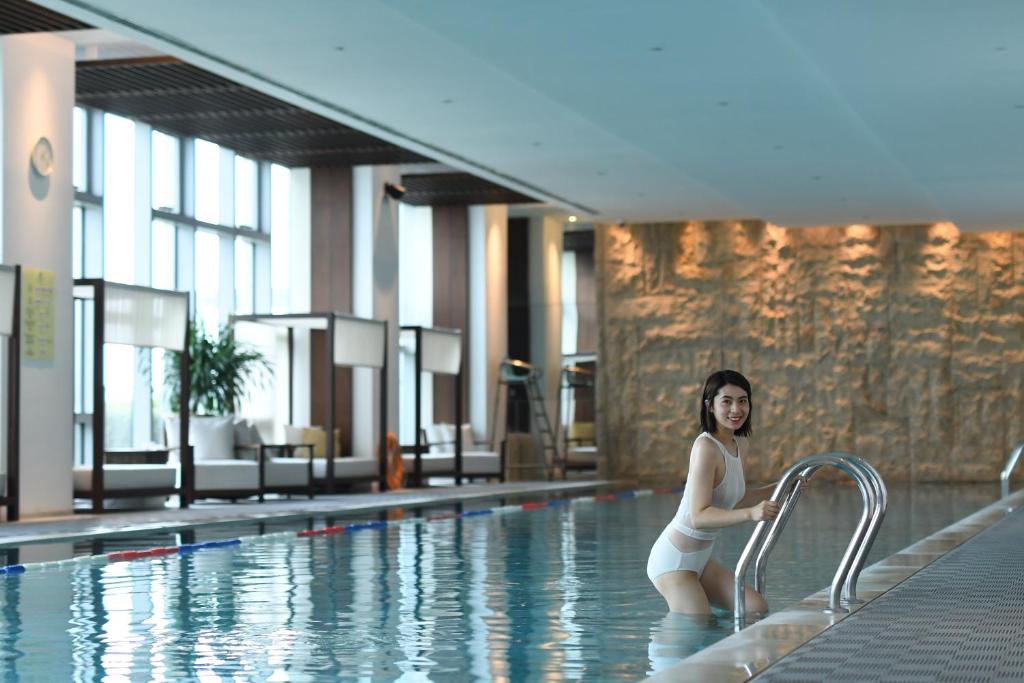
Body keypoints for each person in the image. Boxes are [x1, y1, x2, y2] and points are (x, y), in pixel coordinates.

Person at [647, 369, 794, 615]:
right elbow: (699, 516)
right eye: (726, 401)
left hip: (701, 561)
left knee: (755, 609)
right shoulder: (706, 447)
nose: (736, 410)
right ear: (710, 406)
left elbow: (735, 498)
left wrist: (782, 487)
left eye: (742, 401)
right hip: (673, 560)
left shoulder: (740, 445)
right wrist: (751, 514)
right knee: (697, 624)